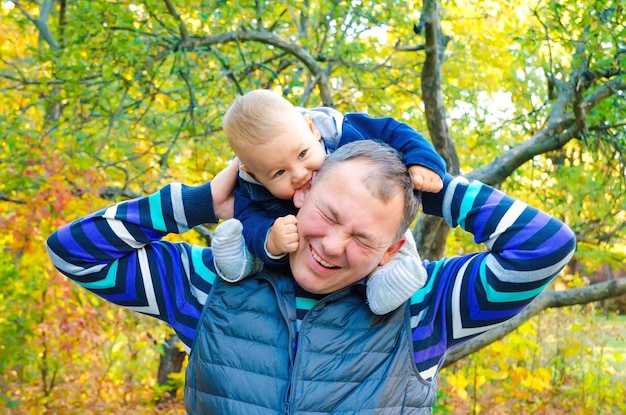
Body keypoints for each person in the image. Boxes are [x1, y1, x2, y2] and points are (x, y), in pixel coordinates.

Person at [46, 140, 576, 413]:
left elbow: (544, 247)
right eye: (327, 216)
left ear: (393, 249)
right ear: (299, 193)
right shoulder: (212, 283)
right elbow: (75, 252)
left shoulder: (424, 307)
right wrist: (200, 202)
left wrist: (435, 192)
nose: (332, 247)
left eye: (365, 238)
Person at [212, 89, 447, 315]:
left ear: (312, 129)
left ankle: (395, 268)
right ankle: (243, 262)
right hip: (293, 248)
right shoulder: (252, 187)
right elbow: (249, 217)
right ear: (253, 174)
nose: (299, 174)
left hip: (370, 218)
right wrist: (268, 239)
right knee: (248, 235)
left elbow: (395, 131)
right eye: (279, 173)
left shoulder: (345, 132)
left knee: (386, 216)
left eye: (303, 154)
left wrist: (423, 162)